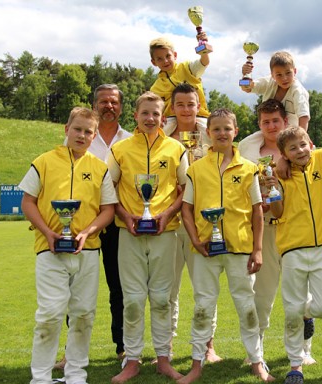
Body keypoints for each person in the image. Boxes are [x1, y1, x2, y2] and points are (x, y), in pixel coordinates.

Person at [19, 107, 117, 384]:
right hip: (49, 250)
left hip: (86, 250)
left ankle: (75, 375)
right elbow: (28, 202)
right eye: (78, 129)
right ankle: (40, 377)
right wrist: (49, 233)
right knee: (49, 314)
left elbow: (108, 209)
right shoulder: (44, 161)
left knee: (84, 314)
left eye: (88, 131)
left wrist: (87, 232)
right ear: (66, 129)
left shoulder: (99, 168)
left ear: (94, 135)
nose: (82, 135)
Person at [179, 108, 274, 383]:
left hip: (240, 248)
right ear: (208, 133)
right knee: (202, 305)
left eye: (227, 128)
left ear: (235, 132)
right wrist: (196, 240)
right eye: (216, 129)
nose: (222, 133)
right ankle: (196, 364)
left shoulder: (248, 168)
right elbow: (187, 208)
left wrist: (257, 249)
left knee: (246, 305)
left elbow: (257, 211)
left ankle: (257, 362)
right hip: (206, 249)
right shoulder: (196, 169)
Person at [107, 91, 188, 383]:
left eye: (156, 114)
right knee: (132, 299)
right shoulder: (120, 150)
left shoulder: (176, 149)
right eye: (145, 113)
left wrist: (166, 215)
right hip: (128, 232)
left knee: (163, 298)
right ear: (136, 117)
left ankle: (164, 358)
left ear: (163, 117)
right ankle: (131, 360)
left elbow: (185, 190)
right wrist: (126, 215)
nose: (151, 118)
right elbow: (108, 189)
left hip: (165, 233)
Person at [54, 84, 131, 370]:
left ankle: (123, 348)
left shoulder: (131, 140)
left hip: (118, 223)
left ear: (121, 107)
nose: (108, 106)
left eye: (113, 102)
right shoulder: (82, 137)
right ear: (95, 105)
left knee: (119, 287)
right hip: (79, 225)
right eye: (103, 101)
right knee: (75, 291)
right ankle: (69, 353)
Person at [238, 99, 316, 366]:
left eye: (275, 121)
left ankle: (305, 348)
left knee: (304, 297)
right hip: (264, 231)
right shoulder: (248, 149)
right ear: (259, 124)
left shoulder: (300, 146)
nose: (270, 126)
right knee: (262, 294)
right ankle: (255, 352)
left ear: (285, 121)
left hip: (295, 231)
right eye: (265, 122)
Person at [268, 126, 322, 384]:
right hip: (292, 249)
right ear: (283, 153)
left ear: (311, 143)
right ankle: (295, 364)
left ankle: (308, 312)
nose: (300, 151)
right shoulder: (277, 173)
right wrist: (274, 187)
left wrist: (283, 158)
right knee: (292, 311)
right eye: (292, 149)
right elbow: (277, 213)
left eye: (303, 145)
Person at [164, 83, 222, 363]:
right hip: (169, 224)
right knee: (168, 289)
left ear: (199, 105)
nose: (186, 109)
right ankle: (168, 347)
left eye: (191, 103)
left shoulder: (212, 133)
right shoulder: (160, 137)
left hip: (202, 221)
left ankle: (207, 345)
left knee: (204, 288)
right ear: (172, 108)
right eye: (181, 105)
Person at [150, 36, 211, 135]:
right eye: (159, 59)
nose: (165, 61)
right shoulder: (155, 88)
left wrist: (203, 46)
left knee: (213, 134)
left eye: (168, 56)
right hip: (171, 120)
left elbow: (204, 62)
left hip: (198, 116)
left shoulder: (187, 68)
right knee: (157, 136)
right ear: (153, 62)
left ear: (175, 55)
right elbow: (153, 109)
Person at [240, 51, 310, 130]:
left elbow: (303, 116)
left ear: (295, 71)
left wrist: (301, 138)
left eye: (288, 73)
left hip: (290, 135)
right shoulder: (270, 82)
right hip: (268, 131)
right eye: (279, 75)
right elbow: (246, 88)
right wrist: (245, 75)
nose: (284, 78)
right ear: (272, 75)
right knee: (246, 142)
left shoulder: (298, 91)